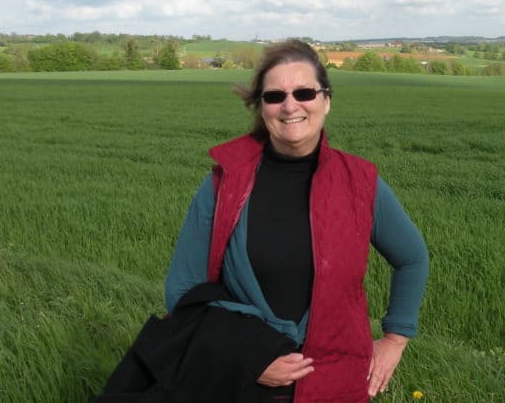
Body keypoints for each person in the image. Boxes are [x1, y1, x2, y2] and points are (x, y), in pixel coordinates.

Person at [161, 39, 429, 402]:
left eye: (304, 92)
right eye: (275, 96)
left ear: (326, 100)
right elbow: (182, 291)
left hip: (335, 385)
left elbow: (412, 257)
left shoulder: (360, 182)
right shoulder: (223, 185)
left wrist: (396, 338)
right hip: (237, 384)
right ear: (261, 107)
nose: (290, 106)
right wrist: (250, 357)